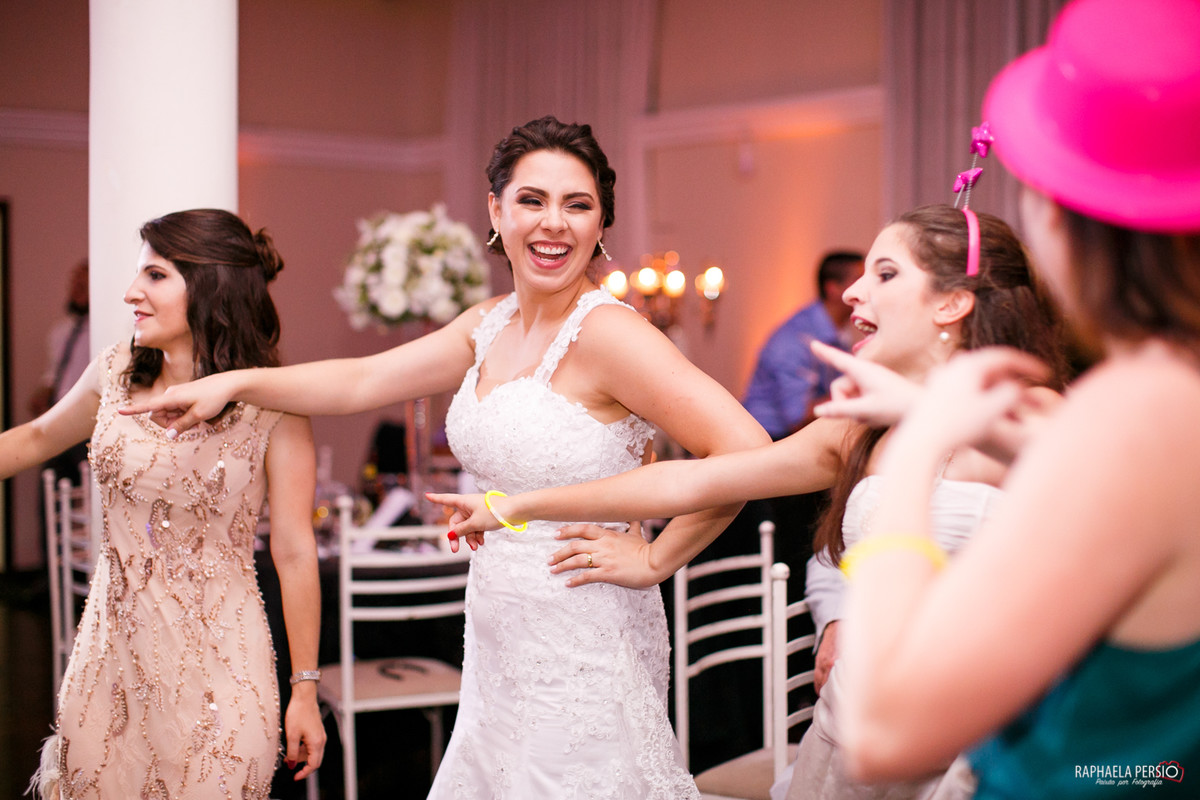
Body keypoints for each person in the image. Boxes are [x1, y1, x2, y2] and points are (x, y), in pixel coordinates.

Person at [121, 116, 769, 798]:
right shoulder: (488, 326)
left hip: (586, 640)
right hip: (497, 637)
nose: (554, 224)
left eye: (577, 205)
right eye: (532, 201)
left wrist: (657, 559)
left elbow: (747, 452)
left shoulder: (610, 334)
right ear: (496, 211)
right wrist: (236, 381)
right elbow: (362, 380)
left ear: (603, 222)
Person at [428, 203, 1066, 798]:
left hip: (975, 744)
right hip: (849, 735)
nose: (852, 293)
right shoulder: (857, 431)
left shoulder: (1028, 423)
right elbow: (691, 481)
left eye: (885, 273)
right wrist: (520, 506)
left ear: (952, 303)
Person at [801, 1, 1200, 797]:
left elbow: (882, 731)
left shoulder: (1134, 417)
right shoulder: (1165, 403)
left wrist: (917, 445)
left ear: (1058, 213)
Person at [8, 209, 326, 797]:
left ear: (210, 287)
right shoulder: (115, 374)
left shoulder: (275, 403)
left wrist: (304, 687)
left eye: (154, 276)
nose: (131, 292)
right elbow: (33, 438)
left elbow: (295, 551)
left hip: (223, 671)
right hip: (110, 664)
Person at [742, 250, 865, 440]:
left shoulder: (839, 331)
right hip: (767, 439)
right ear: (833, 288)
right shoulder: (795, 338)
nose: (868, 289)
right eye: (859, 279)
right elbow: (797, 417)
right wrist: (863, 391)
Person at [30, 259, 91, 484]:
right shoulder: (61, 331)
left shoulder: (101, 331)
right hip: (57, 421)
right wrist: (42, 395)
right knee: (51, 487)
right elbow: (54, 375)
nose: (76, 288)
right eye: (74, 283)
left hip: (85, 422)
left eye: (83, 284)